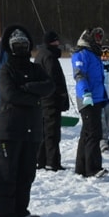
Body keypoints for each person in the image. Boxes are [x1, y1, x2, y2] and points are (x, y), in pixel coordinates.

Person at [0, 25, 54, 217]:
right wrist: (34, 98)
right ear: (10, 47)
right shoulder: (6, 70)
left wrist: (28, 88)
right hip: (10, 130)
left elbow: (49, 86)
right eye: (16, 45)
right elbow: (10, 94)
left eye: (23, 44)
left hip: (32, 130)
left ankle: (20, 211)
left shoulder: (35, 69)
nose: (20, 48)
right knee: (7, 174)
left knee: (27, 173)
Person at [71, 27, 107, 178]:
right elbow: (79, 75)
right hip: (87, 99)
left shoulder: (94, 53)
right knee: (94, 133)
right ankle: (92, 168)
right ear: (89, 38)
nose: (99, 40)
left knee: (86, 133)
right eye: (96, 37)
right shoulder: (82, 53)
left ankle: (81, 167)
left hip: (96, 98)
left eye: (100, 37)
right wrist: (85, 92)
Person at [35, 30, 70, 171]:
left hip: (43, 99)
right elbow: (53, 79)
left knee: (44, 132)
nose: (59, 43)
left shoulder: (41, 54)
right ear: (51, 42)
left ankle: (41, 160)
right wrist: (61, 95)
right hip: (50, 100)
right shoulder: (49, 57)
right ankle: (52, 162)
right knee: (52, 133)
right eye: (56, 41)